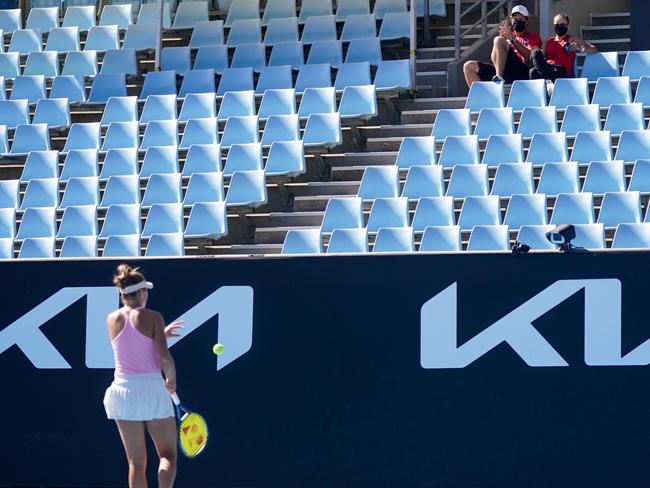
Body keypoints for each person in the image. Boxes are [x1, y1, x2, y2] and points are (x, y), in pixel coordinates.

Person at [103, 264, 183, 488]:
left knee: (135, 463)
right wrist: (172, 379)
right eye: (145, 290)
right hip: (152, 390)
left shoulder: (111, 319)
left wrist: (160, 335)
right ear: (141, 292)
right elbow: (163, 357)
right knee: (168, 456)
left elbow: (133, 344)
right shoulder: (154, 317)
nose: (147, 294)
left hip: (122, 392)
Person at [463, 5, 542, 86]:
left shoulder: (533, 37)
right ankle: (484, 95)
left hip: (521, 72)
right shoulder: (505, 37)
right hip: (504, 71)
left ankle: (498, 78)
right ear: (511, 20)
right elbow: (494, 59)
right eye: (515, 19)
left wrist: (512, 39)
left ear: (527, 21)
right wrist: (501, 43)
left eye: (521, 19)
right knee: (469, 66)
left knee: (498, 40)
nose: (518, 21)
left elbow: (530, 58)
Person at [529, 13, 598, 81]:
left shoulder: (572, 39)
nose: (559, 26)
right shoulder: (547, 42)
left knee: (536, 70)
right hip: (548, 68)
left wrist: (579, 48)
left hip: (561, 71)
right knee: (533, 68)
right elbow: (541, 61)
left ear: (567, 26)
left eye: (562, 24)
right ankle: (548, 83)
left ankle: (547, 83)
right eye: (557, 25)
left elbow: (594, 49)